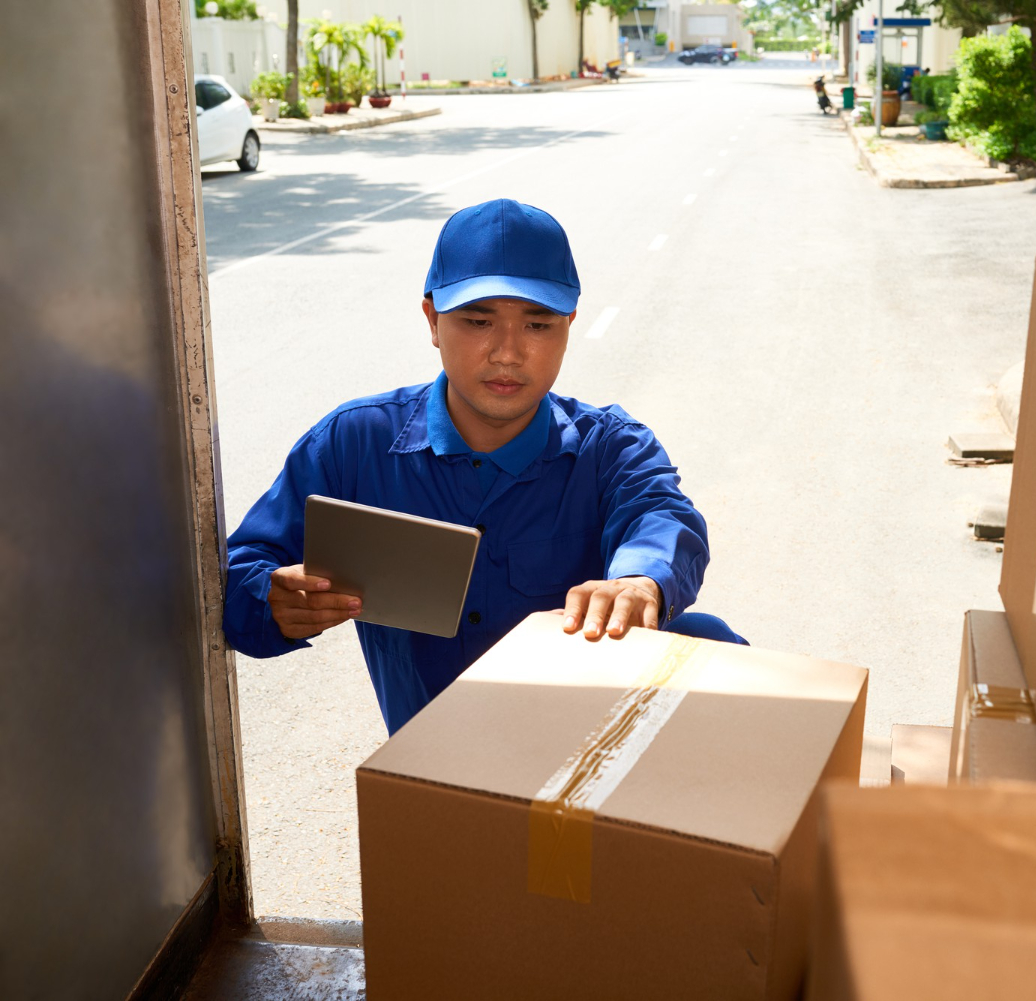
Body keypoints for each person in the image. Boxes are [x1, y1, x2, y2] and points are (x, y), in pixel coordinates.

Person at [221, 198, 744, 735]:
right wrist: (273, 601)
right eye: (477, 320)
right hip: (436, 775)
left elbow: (661, 516)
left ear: (569, 326)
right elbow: (243, 571)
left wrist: (640, 581)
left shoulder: (610, 448)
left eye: (538, 324)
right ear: (432, 320)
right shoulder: (353, 445)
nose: (508, 353)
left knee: (713, 645)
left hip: (589, 755)